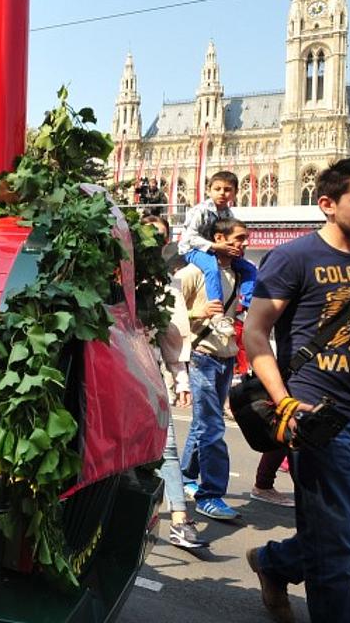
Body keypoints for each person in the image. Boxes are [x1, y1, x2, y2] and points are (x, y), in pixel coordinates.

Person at [242, 158, 350, 623]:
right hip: (321, 421)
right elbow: (255, 334)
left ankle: (275, 562)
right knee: (336, 554)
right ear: (328, 205)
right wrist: (288, 404)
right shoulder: (294, 257)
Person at [176, 217, 250, 521]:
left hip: (225, 357)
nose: (244, 244)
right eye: (238, 238)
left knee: (202, 424)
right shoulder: (192, 272)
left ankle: (183, 477)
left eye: (245, 239)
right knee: (212, 427)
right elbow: (168, 315)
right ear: (219, 237)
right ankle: (211, 494)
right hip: (202, 356)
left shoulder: (238, 274)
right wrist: (198, 311)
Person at [145, 215, 206, 549]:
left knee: (166, 444)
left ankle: (180, 519)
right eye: (148, 235)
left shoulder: (167, 285)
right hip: (111, 376)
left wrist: (181, 380)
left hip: (149, 374)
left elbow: (172, 336)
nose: (154, 242)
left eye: (160, 236)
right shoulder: (111, 276)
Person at [178, 171, 259, 313]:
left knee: (249, 269)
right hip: (193, 250)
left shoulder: (228, 214)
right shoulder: (200, 210)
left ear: (235, 193)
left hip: (215, 250)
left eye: (227, 190)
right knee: (212, 267)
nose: (222, 193)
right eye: (217, 189)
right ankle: (217, 307)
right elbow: (189, 237)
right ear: (209, 190)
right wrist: (216, 246)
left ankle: (246, 304)